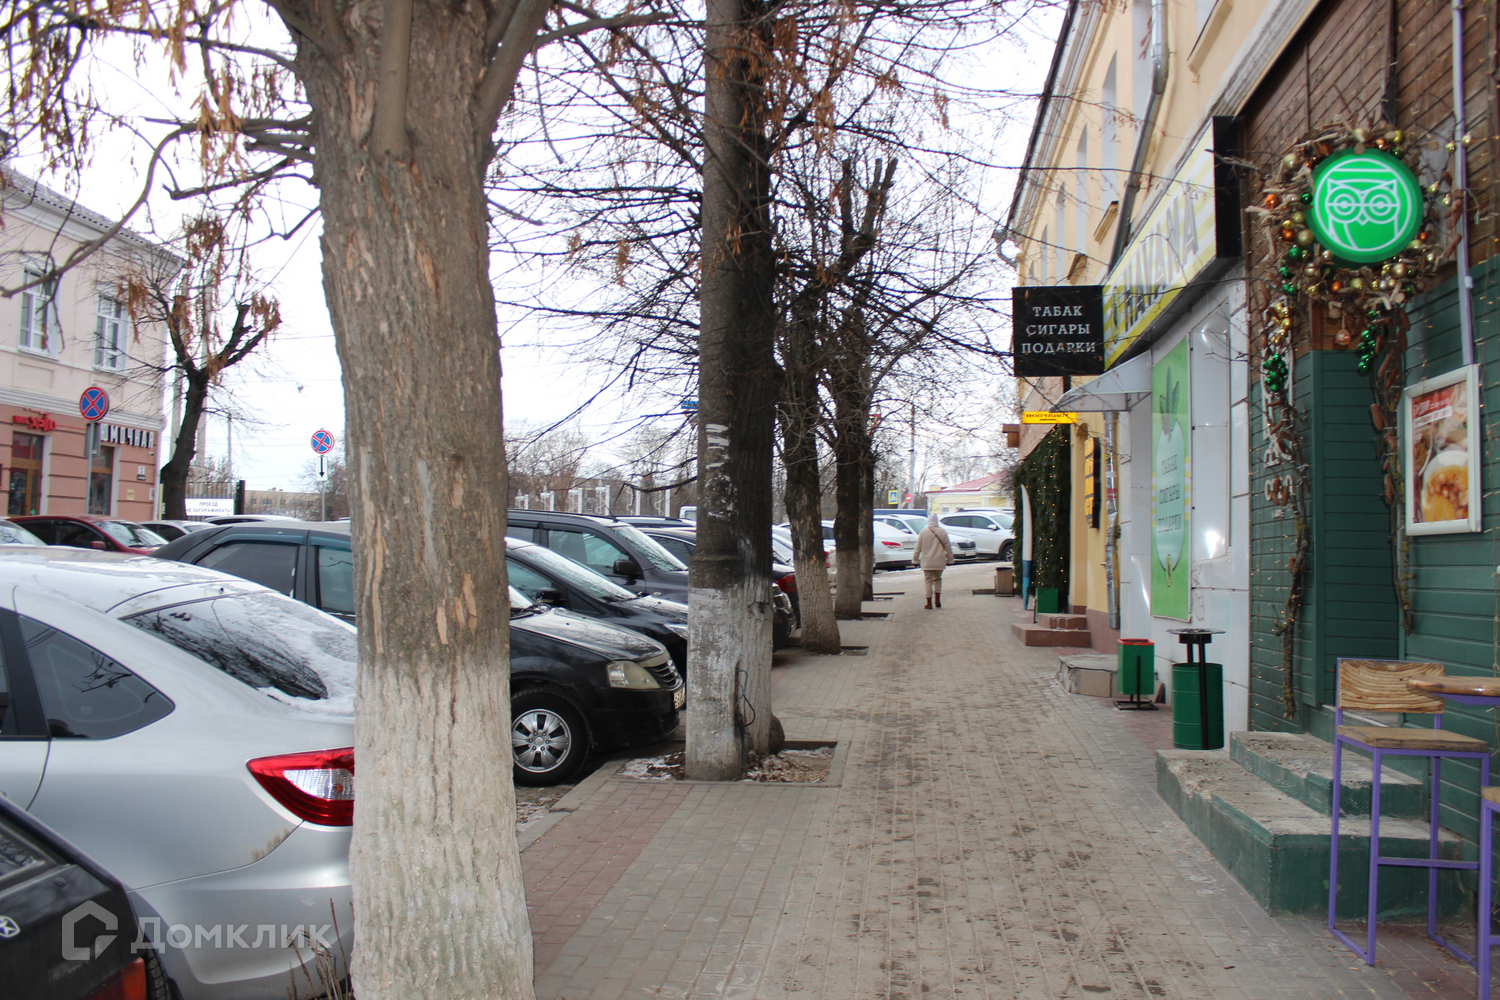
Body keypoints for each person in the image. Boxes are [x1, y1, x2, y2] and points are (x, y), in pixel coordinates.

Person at [913, 513, 954, 609]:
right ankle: (937, 600)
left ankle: (928, 602)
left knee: (928, 581)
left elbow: (918, 548)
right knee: (938, 579)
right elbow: (948, 547)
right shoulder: (942, 532)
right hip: (940, 560)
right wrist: (950, 559)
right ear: (936, 521)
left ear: (929, 521)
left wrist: (915, 560)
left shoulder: (923, 532)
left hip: (927, 561)